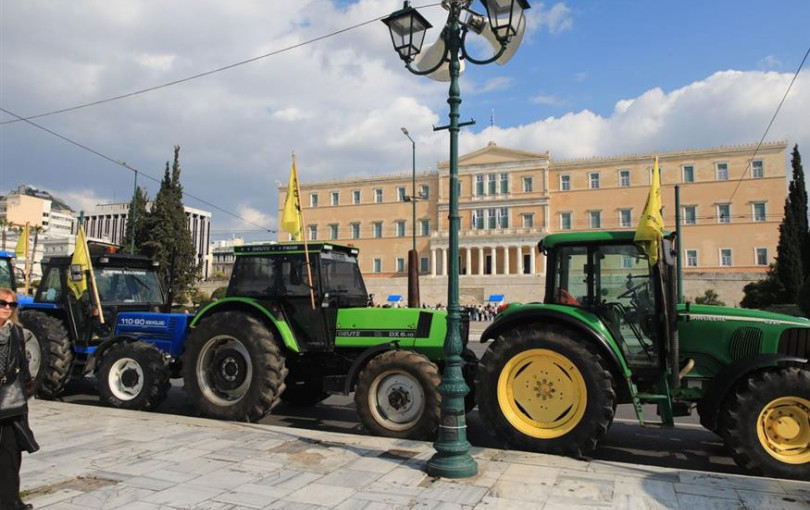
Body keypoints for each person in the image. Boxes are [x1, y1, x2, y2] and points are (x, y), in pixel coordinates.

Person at [0, 288, 37, 510]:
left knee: (11, 456)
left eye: (11, 304)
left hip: (11, 404)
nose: (7, 308)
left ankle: (11, 502)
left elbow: (23, 367)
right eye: (2, 303)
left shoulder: (16, 333)